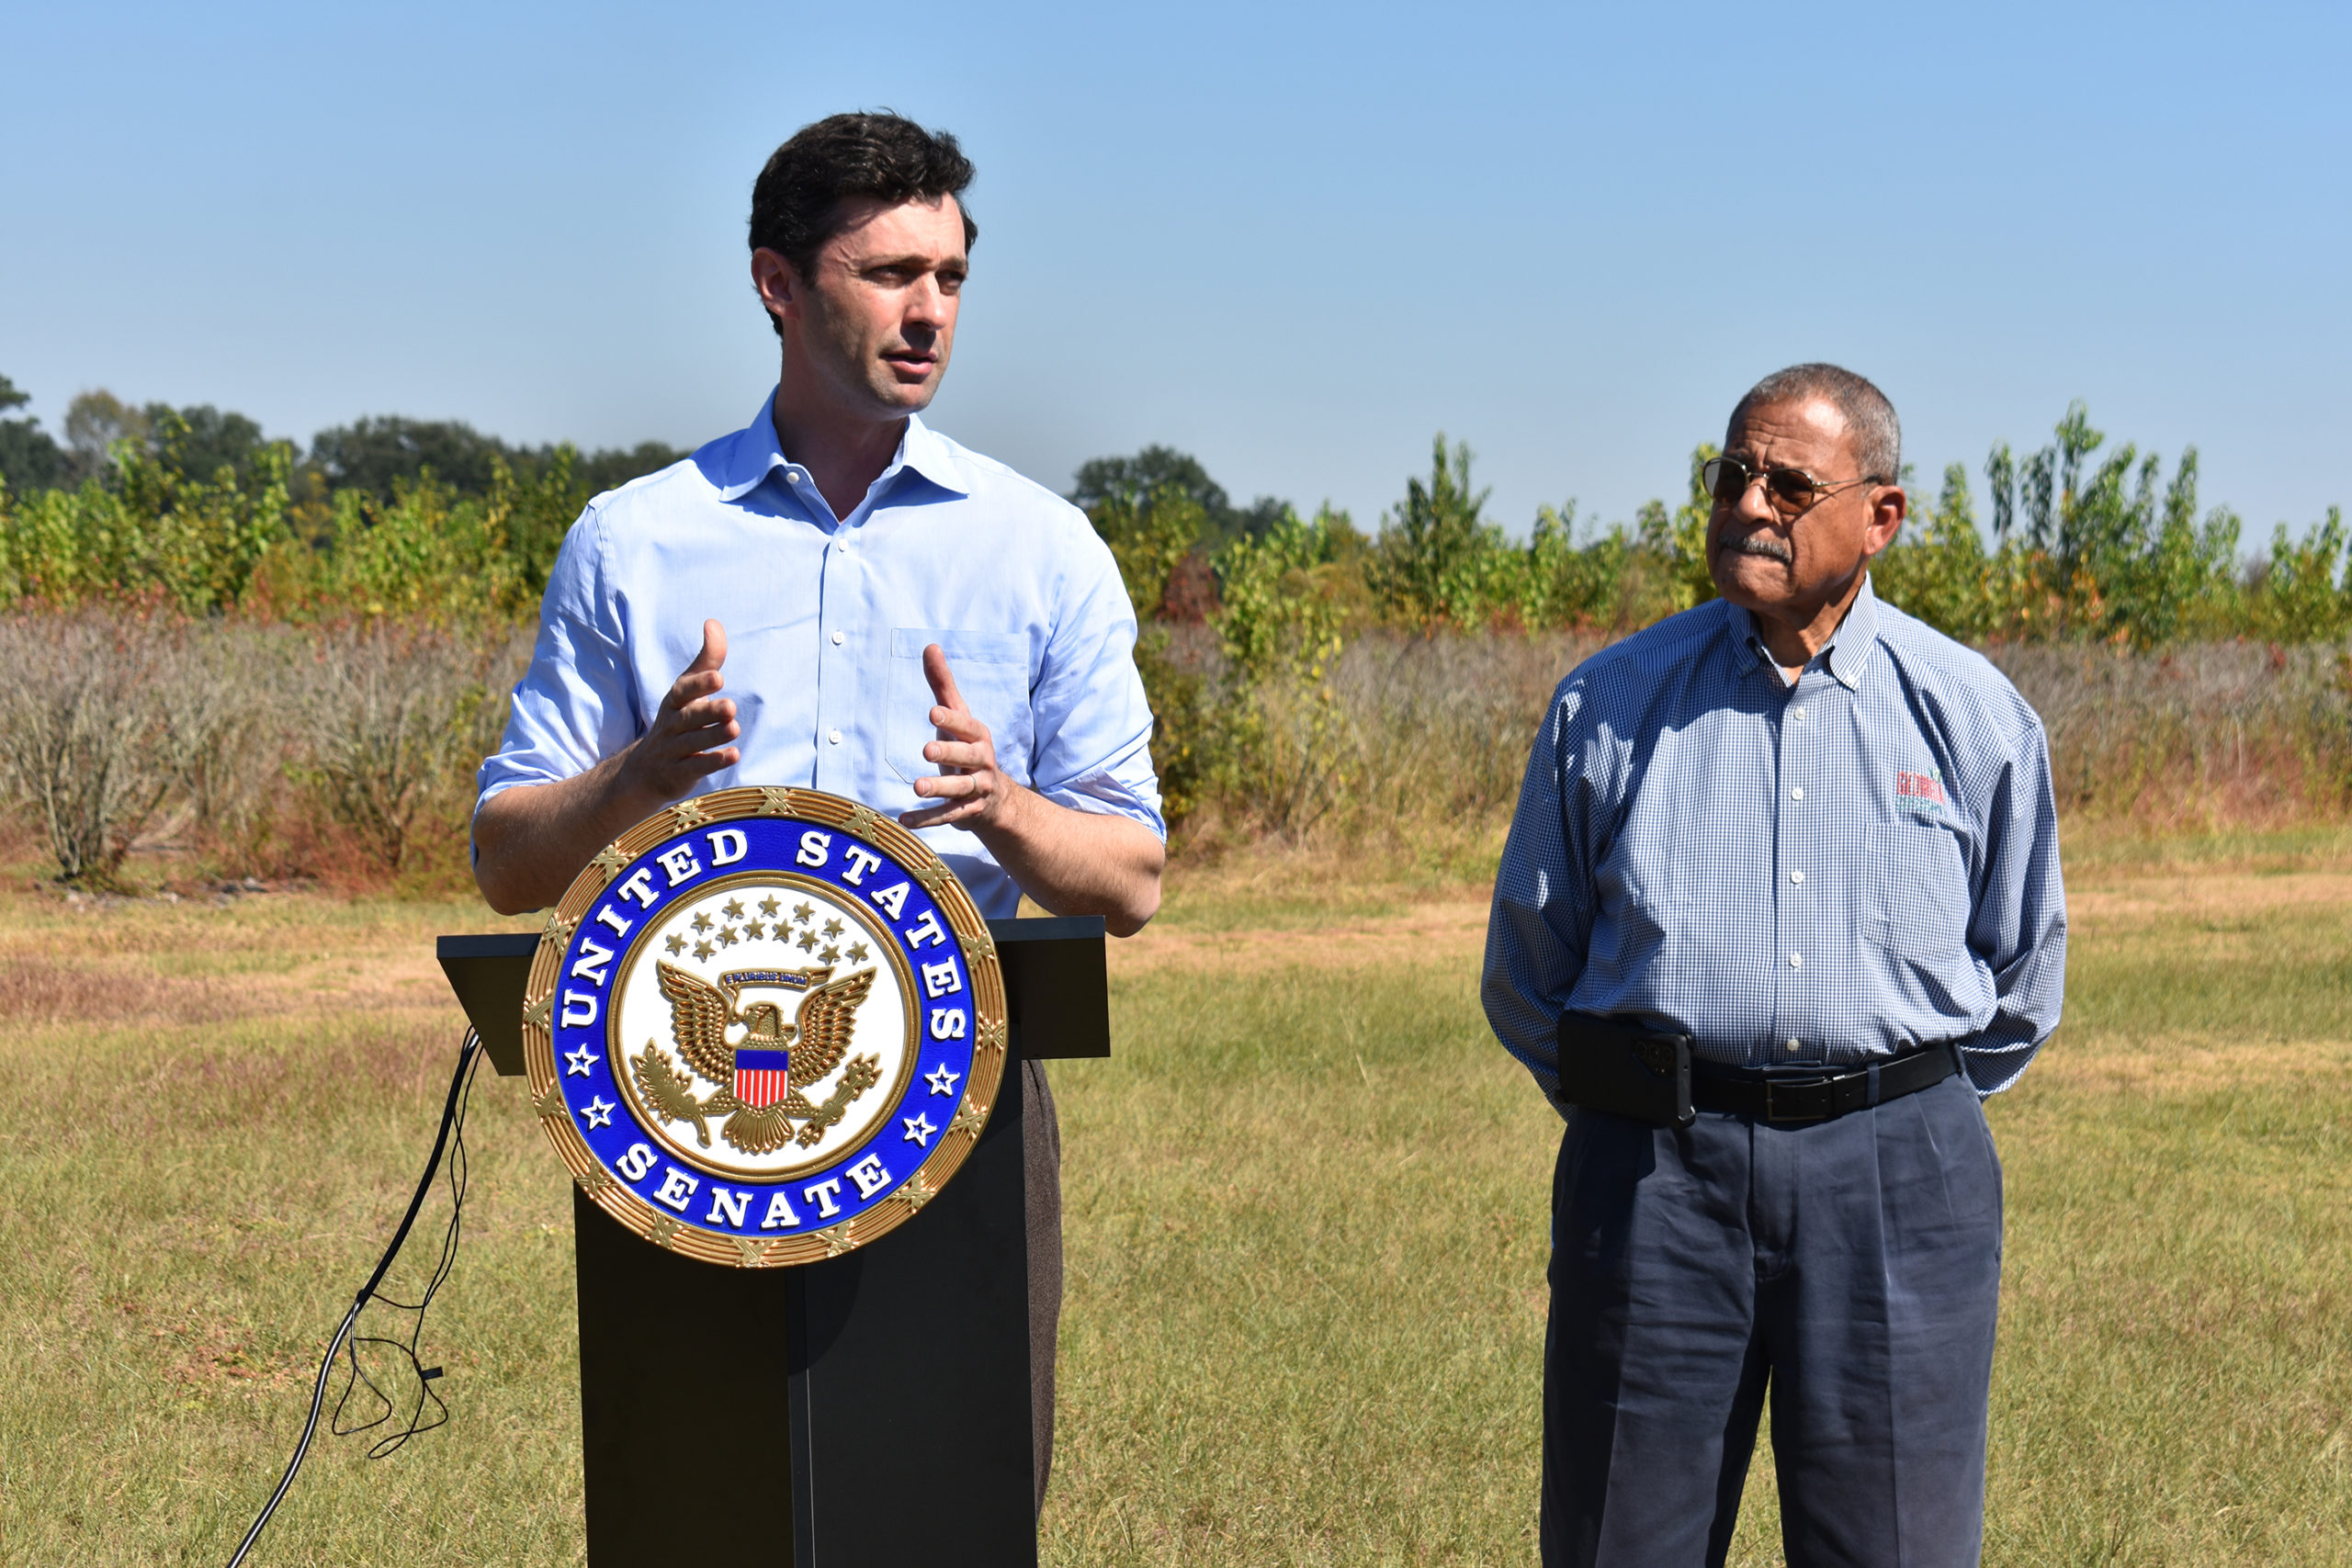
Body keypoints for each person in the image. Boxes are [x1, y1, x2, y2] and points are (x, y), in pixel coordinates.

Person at [471, 112, 1167, 1510]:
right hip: (682, 1111)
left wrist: (1006, 809)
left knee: (949, 1495)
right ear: (778, 284)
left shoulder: (1038, 548)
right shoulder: (640, 540)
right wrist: (640, 775)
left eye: (951, 278)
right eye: (888, 272)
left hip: (955, 1104)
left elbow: (1133, 876)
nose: (928, 313)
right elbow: (504, 860)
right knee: (703, 1499)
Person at [1482, 364, 2066, 1567]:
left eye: (1791, 484)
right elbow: (1529, 974)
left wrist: (1878, 1112)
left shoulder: (1972, 720)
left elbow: (2019, 986)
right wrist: (1656, 1100)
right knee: (1619, 1542)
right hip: (1653, 1183)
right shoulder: (1610, 707)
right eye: (1733, 473)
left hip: (1901, 1189)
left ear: (1881, 517)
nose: (1752, 503)